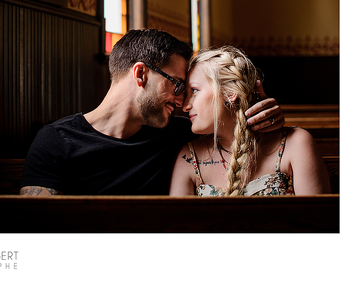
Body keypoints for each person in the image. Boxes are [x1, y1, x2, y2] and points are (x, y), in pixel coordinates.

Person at [19, 29, 284, 196]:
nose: (182, 101)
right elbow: (40, 231)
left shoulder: (178, 136)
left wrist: (264, 115)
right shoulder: (56, 141)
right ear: (141, 74)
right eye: (178, 85)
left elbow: (234, 128)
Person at [169, 46, 330, 196]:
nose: (185, 106)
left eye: (194, 90)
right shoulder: (189, 158)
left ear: (230, 92)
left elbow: (318, 223)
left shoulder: (296, 144)